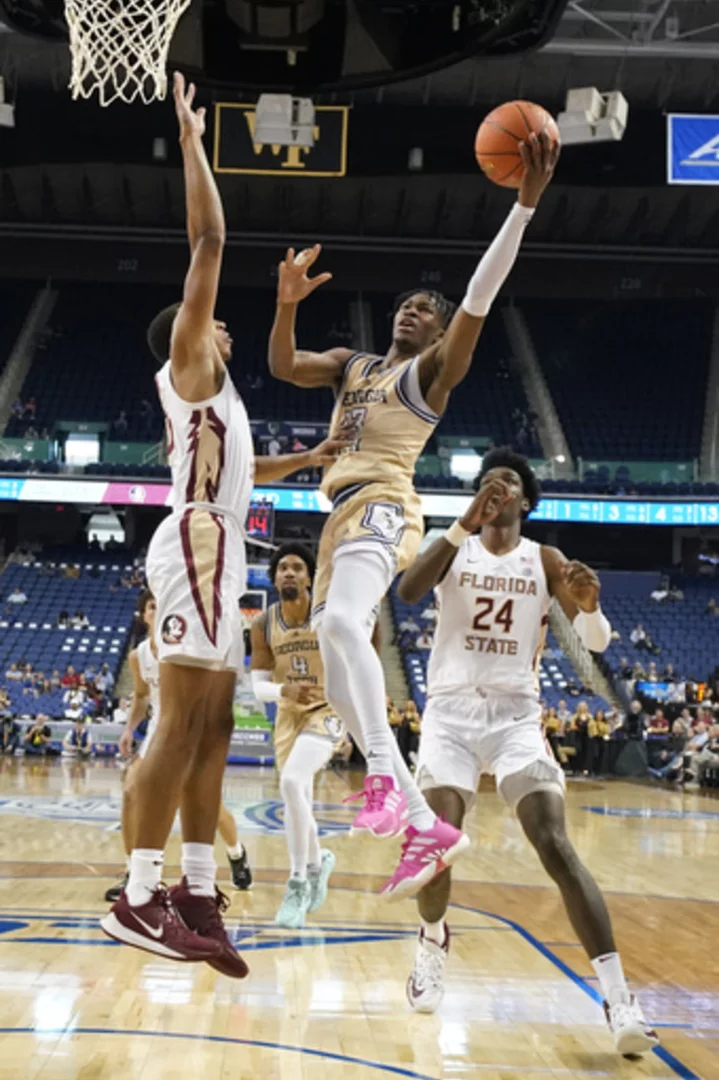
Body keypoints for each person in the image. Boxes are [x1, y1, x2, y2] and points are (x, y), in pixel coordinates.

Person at [267, 138, 558, 896]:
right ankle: (402, 806)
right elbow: (280, 365)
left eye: (425, 310)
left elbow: (478, 297)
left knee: (335, 629)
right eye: (406, 303)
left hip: (384, 505)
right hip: (337, 517)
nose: (413, 310)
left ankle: (396, 792)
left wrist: (522, 205)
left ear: (436, 337)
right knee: (335, 665)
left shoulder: (429, 375)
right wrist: (286, 304)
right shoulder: (352, 365)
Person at [101, 73, 341, 971]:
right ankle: (137, 895)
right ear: (190, 337)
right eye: (213, 323)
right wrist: (193, 140)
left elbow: (244, 477)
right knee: (181, 720)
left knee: (213, 728)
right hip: (199, 541)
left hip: (221, 536)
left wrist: (305, 462)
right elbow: (208, 237)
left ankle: (199, 891)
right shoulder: (191, 366)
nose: (225, 328)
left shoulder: (223, 407)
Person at [396, 448, 657, 1055]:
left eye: (509, 480)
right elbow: (408, 592)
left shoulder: (544, 558)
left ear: (526, 500)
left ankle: (619, 999)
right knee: (438, 840)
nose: (498, 485)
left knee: (554, 842)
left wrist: (590, 610)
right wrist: (460, 523)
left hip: (515, 717)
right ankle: (432, 940)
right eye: (489, 479)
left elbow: (592, 639)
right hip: (451, 714)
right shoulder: (453, 543)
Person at [104, 590, 252, 903]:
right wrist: (130, 729)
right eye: (151, 606)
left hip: (193, 729)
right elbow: (142, 696)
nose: (157, 610)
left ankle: (236, 852)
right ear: (144, 614)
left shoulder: (189, 646)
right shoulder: (138, 655)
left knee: (202, 803)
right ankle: (134, 871)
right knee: (132, 790)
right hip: (160, 730)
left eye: (161, 605)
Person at [250, 543, 353, 929]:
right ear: (274, 577)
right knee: (297, 796)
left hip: (327, 710)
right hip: (289, 715)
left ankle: (297, 882)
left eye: (296, 568)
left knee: (293, 782)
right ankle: (318, 862)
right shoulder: (263, 624)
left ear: (310, 578)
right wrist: (283, 692)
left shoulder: (327, 616)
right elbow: (257, 685)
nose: (288, 573)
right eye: (282, 568)